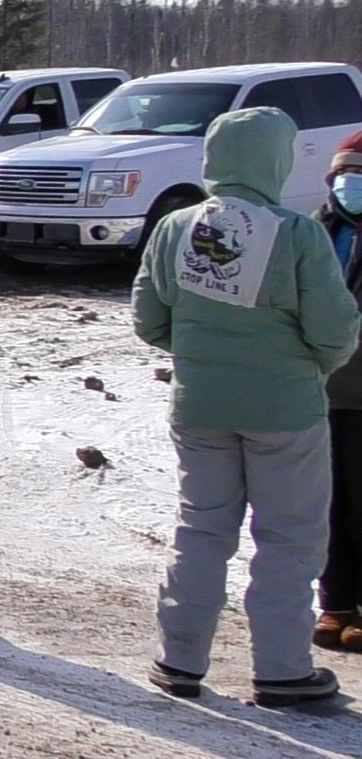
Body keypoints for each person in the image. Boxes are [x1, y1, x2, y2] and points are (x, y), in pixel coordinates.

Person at [134, 107, 360, 706]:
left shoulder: (174, 227)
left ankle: (179, 660)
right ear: (277, 160)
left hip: (199, 407)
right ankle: (283, 672)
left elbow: (149, 319)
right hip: (286, 412)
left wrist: (204, 352)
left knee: (200, 530)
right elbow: (336, 332)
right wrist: (308, 367)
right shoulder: (297, 233)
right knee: (288, 539)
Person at [316, 129, 362, 653]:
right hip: (320, 391)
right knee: (326, 505)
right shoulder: (316, 232)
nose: (351, 185)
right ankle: (336, 603)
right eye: (346, 175)